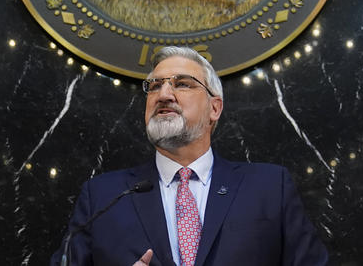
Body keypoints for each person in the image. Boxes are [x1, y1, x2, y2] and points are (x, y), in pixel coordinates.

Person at [52, 46, 328, 266]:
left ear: (214, 108)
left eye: (182, 84)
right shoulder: (103, 197)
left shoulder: (269, 187)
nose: (164, 94)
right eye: (155, 86)